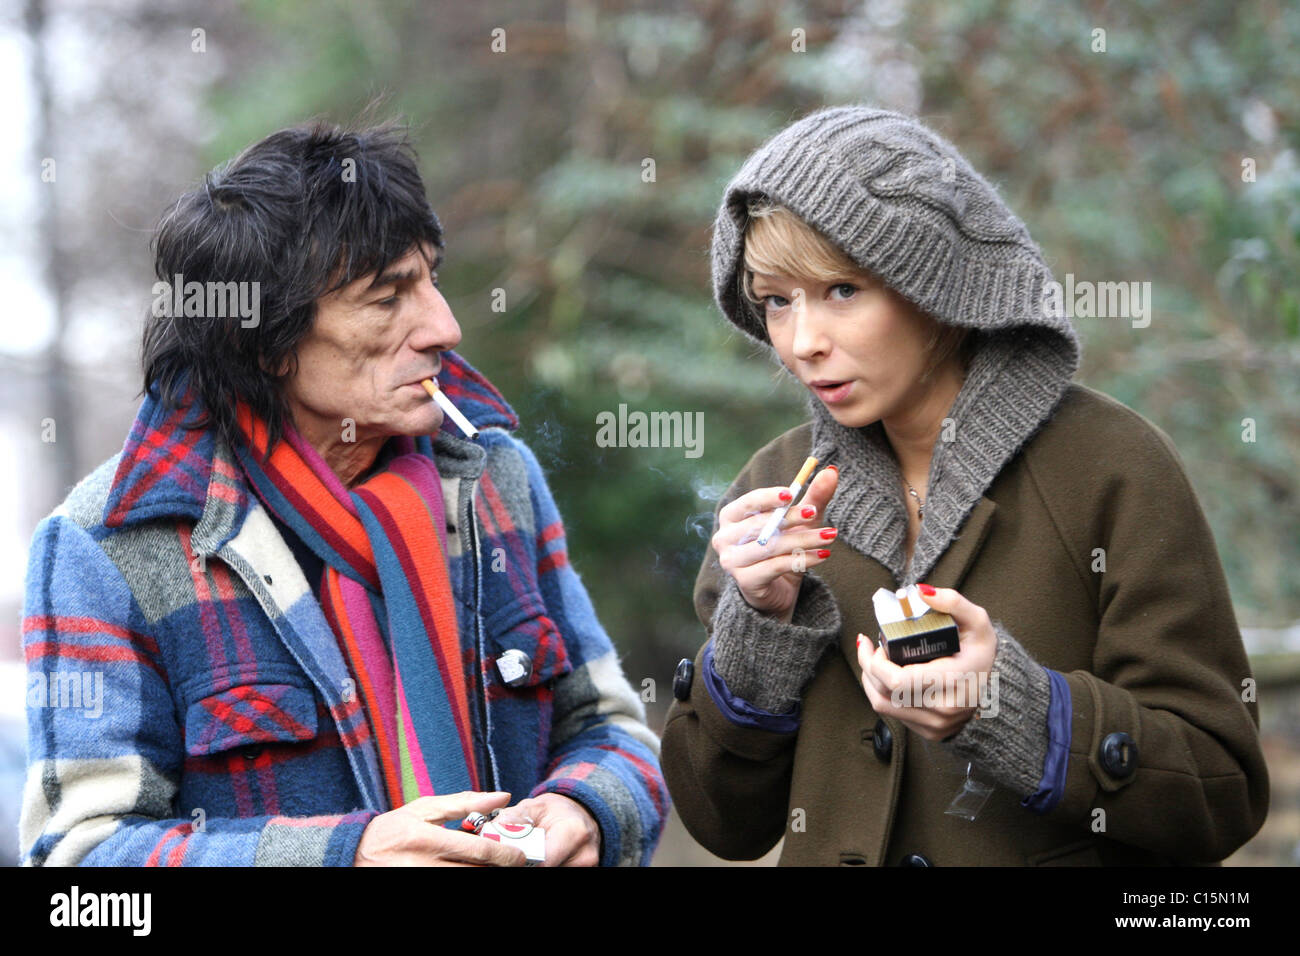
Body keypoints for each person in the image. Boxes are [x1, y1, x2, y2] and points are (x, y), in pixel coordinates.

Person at [20, 119, 666, 867]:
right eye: (388, 298)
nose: (444, 326)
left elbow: (611, 729)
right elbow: (82, 870)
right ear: (263, 341)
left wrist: (584, 806)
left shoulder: (495, 478)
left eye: (432, 278)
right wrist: (342, 858)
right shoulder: (107, 549)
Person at [660, 105, 1268, 865]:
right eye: (777, 300)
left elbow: (1221, 795)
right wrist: (757, 634)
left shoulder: (1113, 466)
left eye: (842, 289)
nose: (802, 342)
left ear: (936, 284)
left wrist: (1013, 709)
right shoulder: (775, 492)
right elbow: (724, 826)